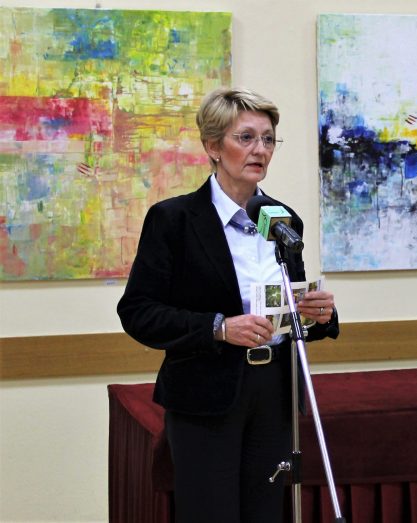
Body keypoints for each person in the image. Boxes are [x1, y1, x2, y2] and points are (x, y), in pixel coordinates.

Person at [117, 86, 339, 522]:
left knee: (266, 514)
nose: (260, 150)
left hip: (274, 393)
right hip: (206, 394)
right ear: (213, 147)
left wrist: (317, 315)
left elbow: (286, 307)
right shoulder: (174, 220)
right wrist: (219, 327)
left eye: (268, 139)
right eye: (246, 138)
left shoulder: (283, 219)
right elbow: (138, 311)